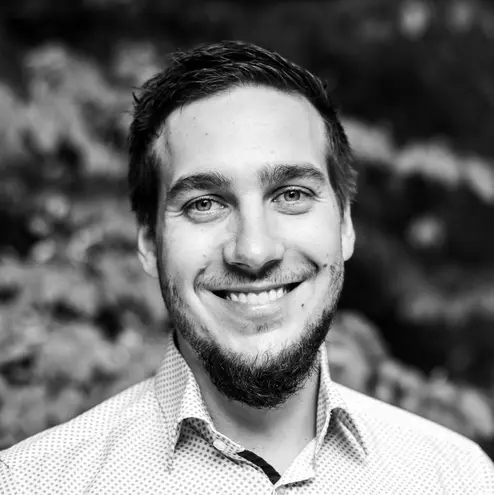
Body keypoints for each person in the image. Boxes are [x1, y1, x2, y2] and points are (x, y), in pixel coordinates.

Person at [1, 40, 493, 495]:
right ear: (149, 242)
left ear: (344, 224)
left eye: (292, 195)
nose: (254, 252)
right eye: (205, 204)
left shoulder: (458, 478)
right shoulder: (31, 484)